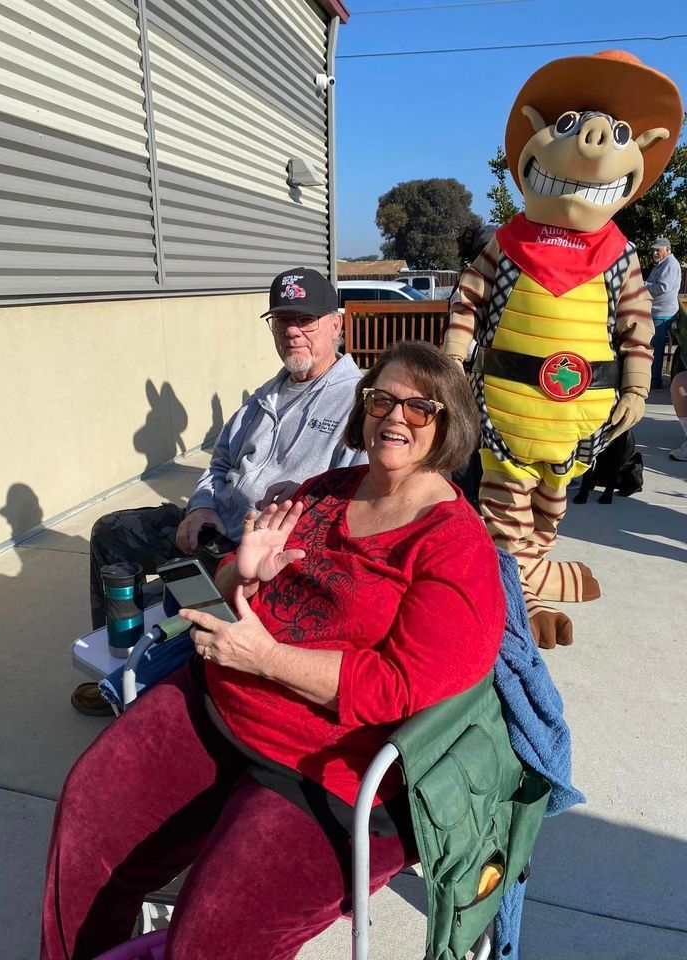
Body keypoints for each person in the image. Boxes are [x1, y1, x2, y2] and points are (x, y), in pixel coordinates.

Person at [41, 341, 506, 960]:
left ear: (450, 427)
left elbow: (400, 686)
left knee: (214, 932)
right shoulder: (321, 491)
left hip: (332, 772)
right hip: (219, 707)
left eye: (421, 408)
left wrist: (264, 658)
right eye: (382, 400)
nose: (396, 417)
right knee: (89, 820)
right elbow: (211, 601)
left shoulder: (455, 544)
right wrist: (242, 577)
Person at [73, 267, 366, 715]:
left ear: (336, 323)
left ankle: (150, 685)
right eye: (282, 320)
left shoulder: (359, 403)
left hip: (267, 554)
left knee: (195, 601)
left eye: (305, 320)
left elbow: (358, 497)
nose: (292, 332)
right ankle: (120, 667)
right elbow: (221, 462)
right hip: (215, 527)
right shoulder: (263, 397)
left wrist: (301, 505)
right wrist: (201, 507)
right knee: (113, 533)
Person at [645, 236, 681, 391]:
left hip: (662, 312)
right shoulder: (661, 264)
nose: (654, 253)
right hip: (656, 310)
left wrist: (644, 285)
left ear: (668, 249)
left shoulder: (670, 265)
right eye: (653, 250)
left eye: (658, 250)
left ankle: (655, 380)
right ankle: (652, 378)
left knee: (655, 348)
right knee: (653, 347)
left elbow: (662, 288)